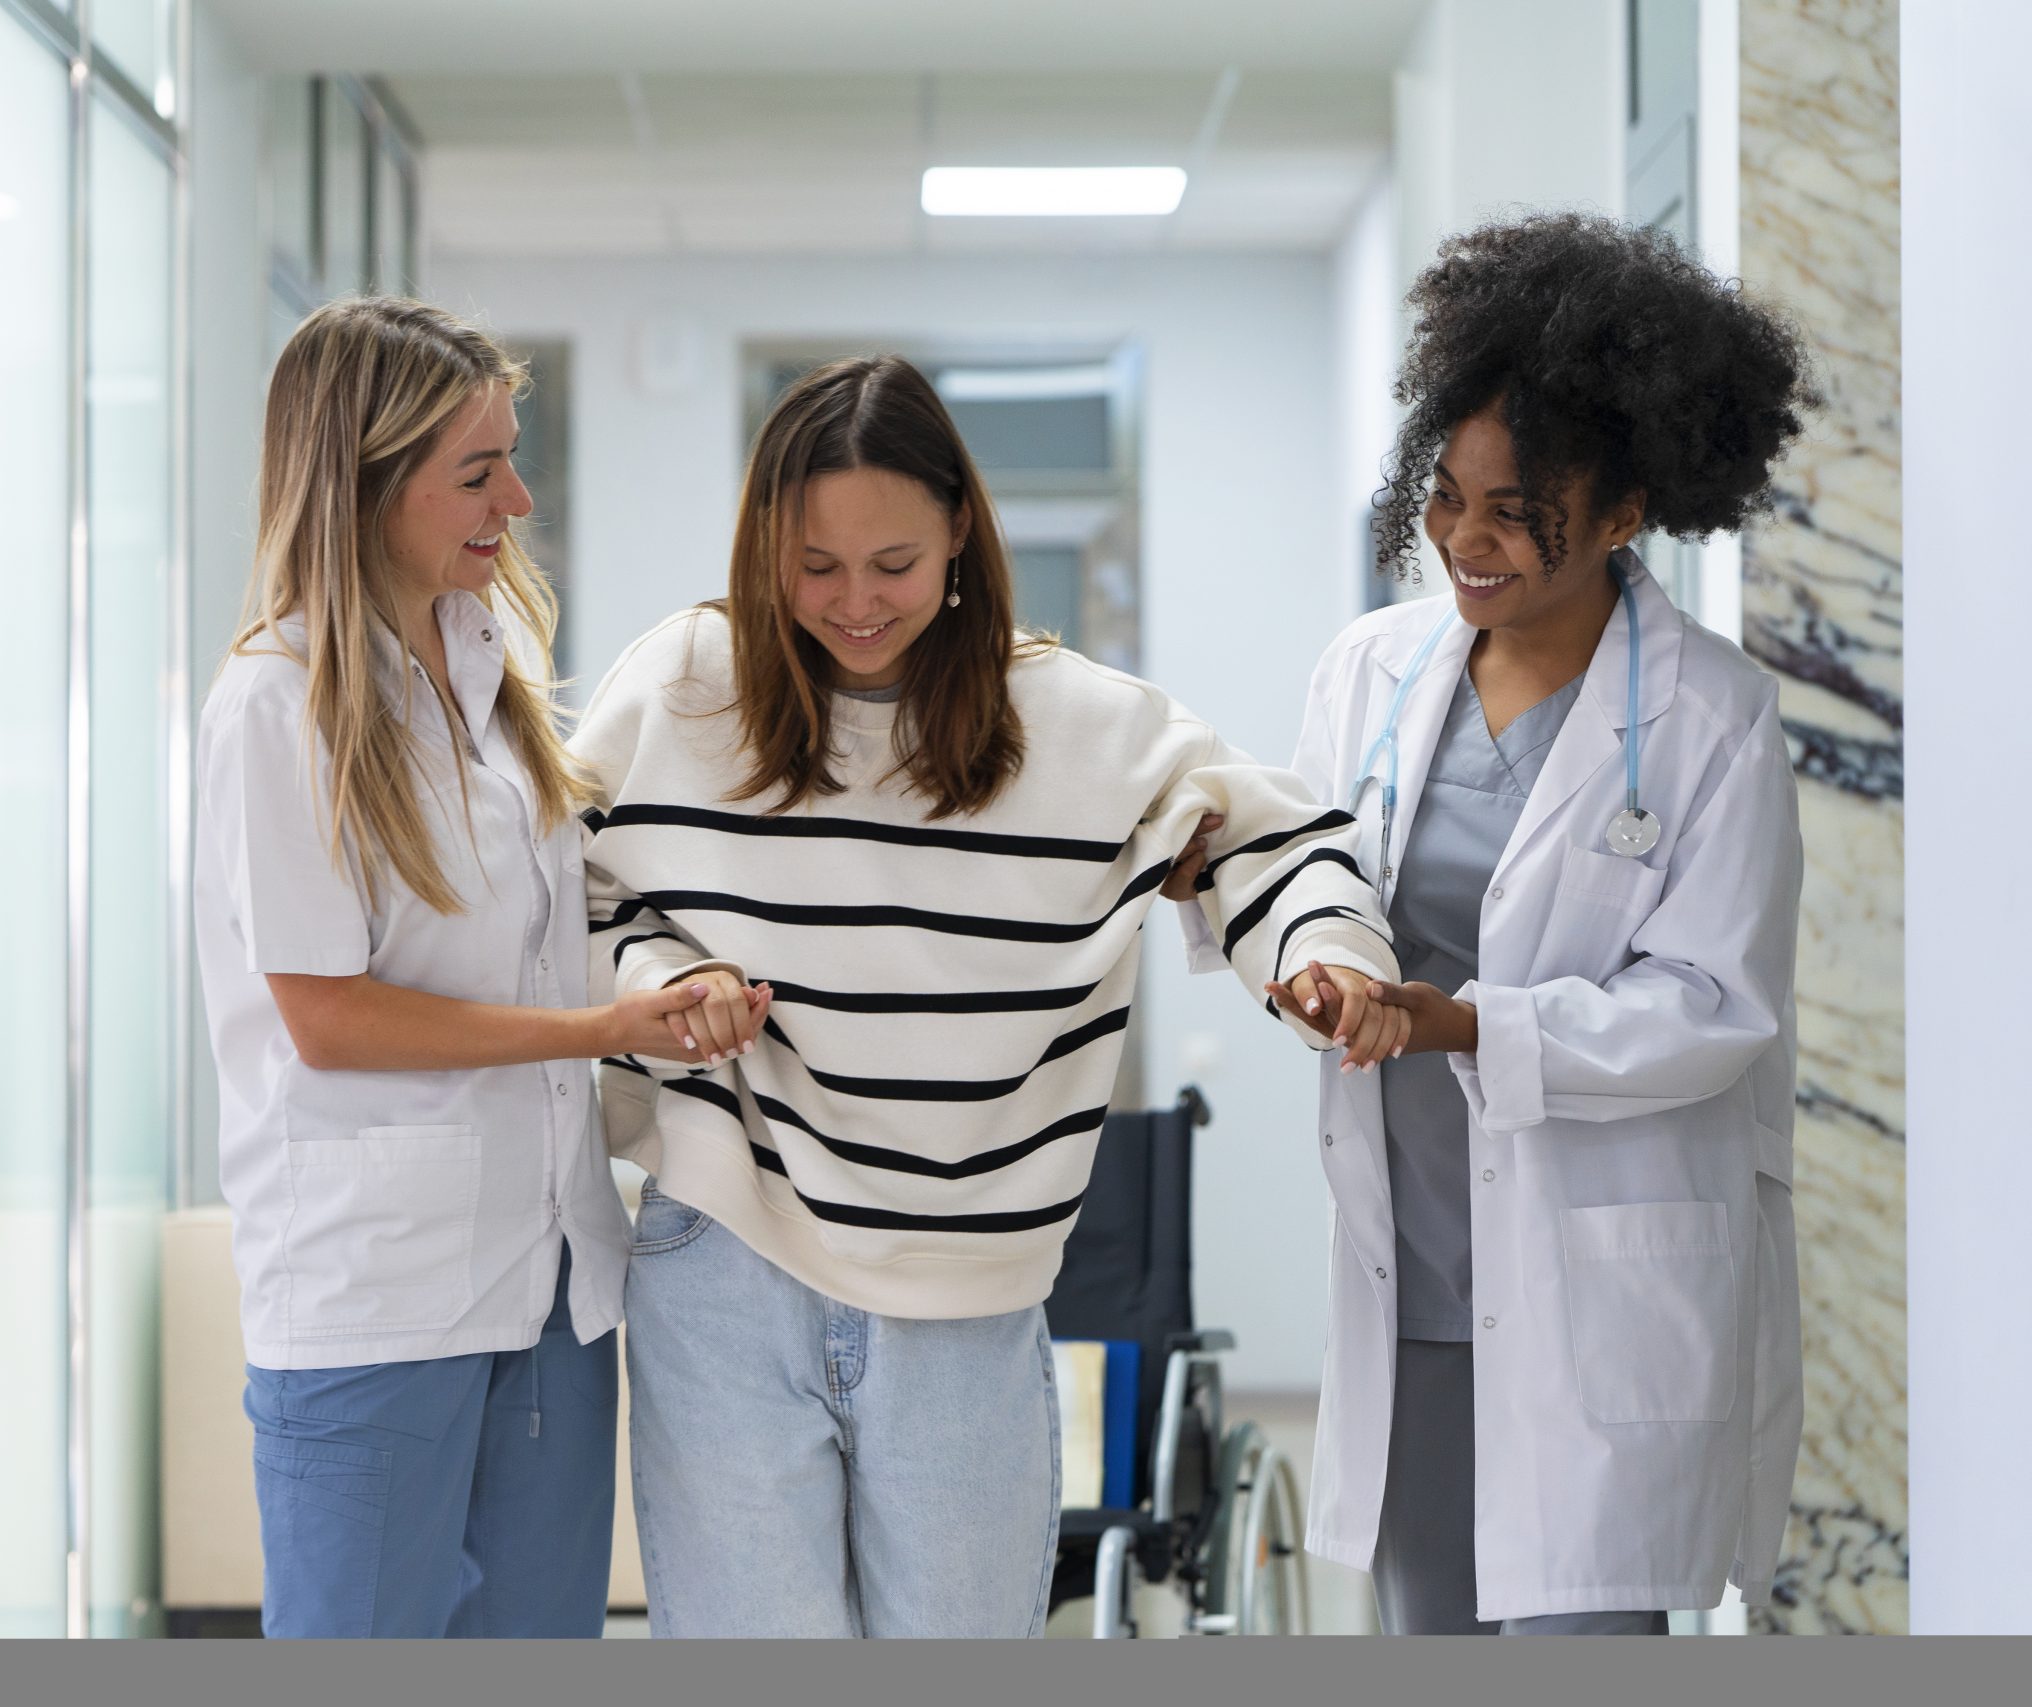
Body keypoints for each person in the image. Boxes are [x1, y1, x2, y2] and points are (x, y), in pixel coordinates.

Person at [571, 355, 1404, 1637]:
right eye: (813, 566)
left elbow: (1278, 843)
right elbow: (563, 887)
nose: (853, 604)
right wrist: (663, 978)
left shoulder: (1079, 722)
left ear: (961, 529)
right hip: (725, 1253)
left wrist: (1320, 956)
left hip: (969, 1285)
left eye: (892, 563)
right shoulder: (682, 688)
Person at [1272, 213, 1813, 1633]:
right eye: (1447, 493)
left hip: (1596, 1287)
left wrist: (1462, 1023)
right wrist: (1306, 966)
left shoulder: (1711, 715)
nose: (1465, 535)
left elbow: (1715, 1005)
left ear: (1627, 507)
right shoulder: (1372, 671)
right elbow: (1301, 876)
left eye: (1518, 508)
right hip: (1414, 1274)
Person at [193, 297, 720, 1638]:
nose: (519, 497)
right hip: (375, 1293)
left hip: (551, 1277)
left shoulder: (496, 659)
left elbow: (553, 916)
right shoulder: (278, 699)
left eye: (512, 456)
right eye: (478, 470)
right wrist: (604, 1027)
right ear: (364, 481)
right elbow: (329, 1014)